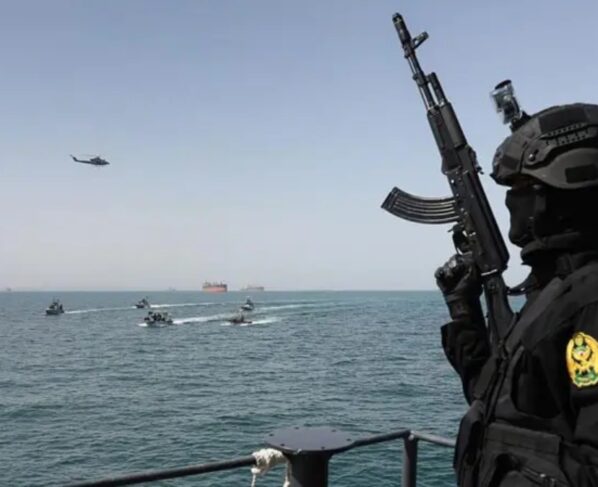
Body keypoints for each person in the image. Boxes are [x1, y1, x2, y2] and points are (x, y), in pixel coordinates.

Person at [436, 103, 598, 486]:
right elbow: (495, 401)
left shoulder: (588, 304)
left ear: (557, 195)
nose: (510, 201)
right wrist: (463, 310)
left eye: (520, 189)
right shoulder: (552, 294)